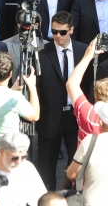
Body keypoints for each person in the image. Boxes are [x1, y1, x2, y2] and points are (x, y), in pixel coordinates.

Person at [32, 12, 85, 189]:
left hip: (75, 116)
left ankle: (72, 195)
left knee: (77, 161)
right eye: (54, 31)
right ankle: (47, 196)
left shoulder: (82, 51)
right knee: (46, 166)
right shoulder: (41, 53)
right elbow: (37, 86)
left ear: (71, 30)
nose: (57, 36)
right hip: (49, 116)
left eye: (62, 32)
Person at [0, 51, 40, 158]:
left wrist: (12, 89)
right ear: (10, 74)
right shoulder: (15, 97)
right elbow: (35, 116)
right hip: (6, 156)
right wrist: (32, 86)